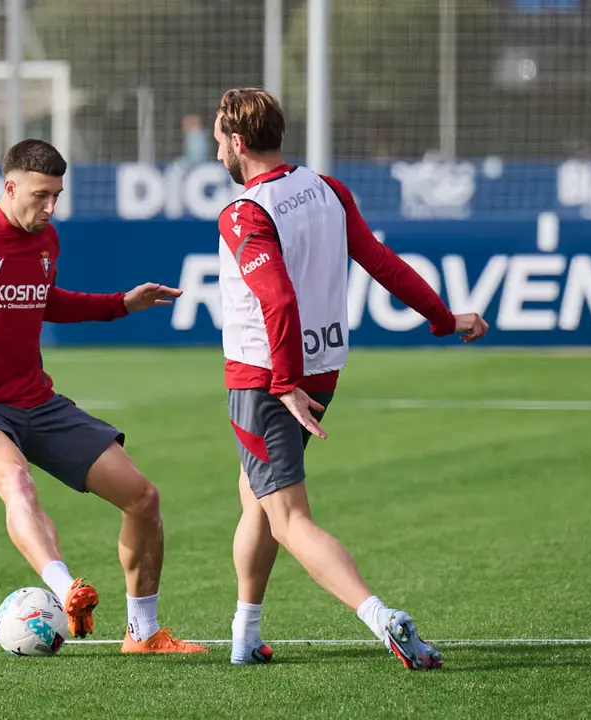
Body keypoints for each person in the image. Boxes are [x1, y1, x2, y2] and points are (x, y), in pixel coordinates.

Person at [0, 138, 206, 655]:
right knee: (14, 478)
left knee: (143, 497)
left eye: (56, 195)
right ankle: (65, 589)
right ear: (10, 187)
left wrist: (121, 304)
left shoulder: (46, 241)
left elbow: (47, 301)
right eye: (40, 195)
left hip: (39, 402)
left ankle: (142, 634)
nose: (50, 207)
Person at [211, 89, 489, 669]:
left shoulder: (244, 211)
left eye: (219, 138)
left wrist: (282, 382)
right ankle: (244, 634)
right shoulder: (327, 189)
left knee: (288, 516)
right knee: (256, 499)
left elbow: (277, 298)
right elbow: (381, 263)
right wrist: (443, 318)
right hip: (322, 369)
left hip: (267, 381)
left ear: (237, 142)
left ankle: (380, 617)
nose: (217, 148)